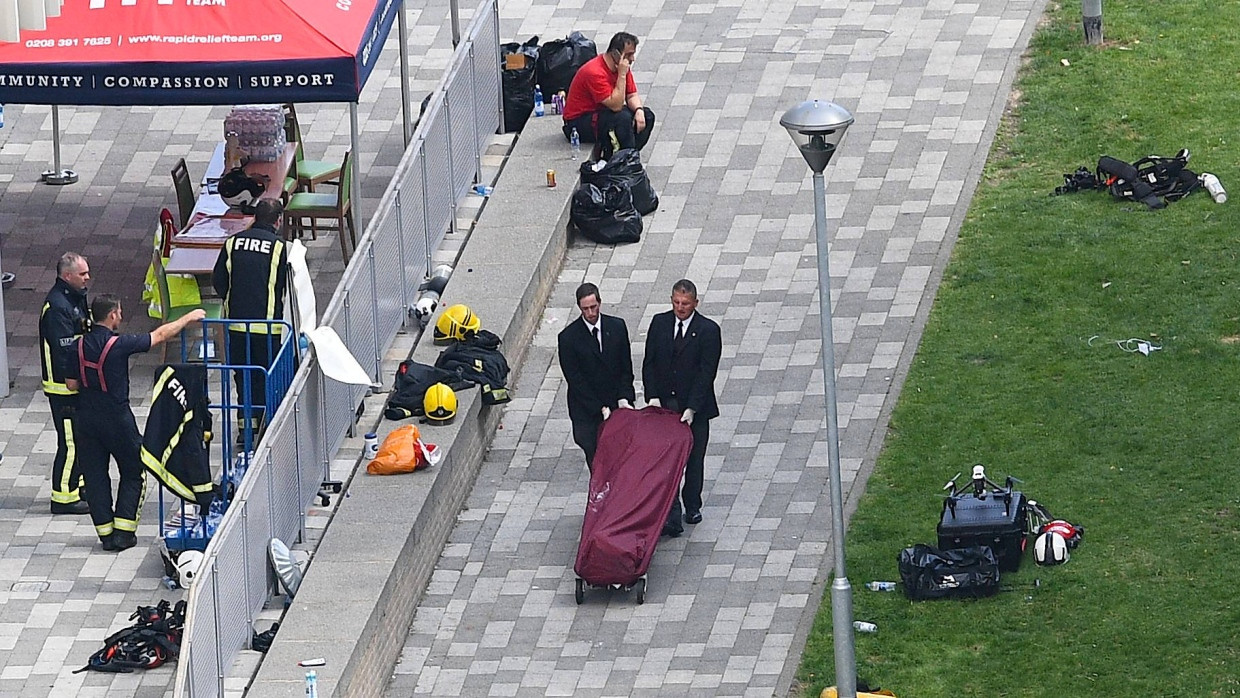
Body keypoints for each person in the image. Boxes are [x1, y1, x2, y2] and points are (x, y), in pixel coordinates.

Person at [69, 294, 206, 551]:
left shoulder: (77, 346)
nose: (121, 317)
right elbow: (160, 336)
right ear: (112, 315)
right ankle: (124, 532)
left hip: (86, 419)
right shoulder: (118, 344)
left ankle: (106, 534)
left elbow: (71, 384)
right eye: (119, 312)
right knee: (133, 470)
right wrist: (188, 318)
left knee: (95, 477)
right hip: (117, 418)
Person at [642, 279, 721, 528]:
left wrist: (692, 408)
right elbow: (650, 362)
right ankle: (670, 511)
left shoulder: (708, 331)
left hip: (694, 408)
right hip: (666, 404)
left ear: (695, 303)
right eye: (676, 302)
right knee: (667, 460)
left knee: (695, 459)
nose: (680, 307)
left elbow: (707, 372)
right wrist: (652, 395)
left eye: (685, 304)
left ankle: (693, 505)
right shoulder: (660, 323)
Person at [213, 199, 289, 447]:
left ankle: (246, 431)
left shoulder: (233, 243)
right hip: (267, 328)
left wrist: (232, 302)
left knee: (243, 377)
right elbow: (284, 285)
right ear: (277, 220)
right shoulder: (279, 247)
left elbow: (218, 280)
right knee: (268, 377)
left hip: (237, 326)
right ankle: (269, 427)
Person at [557, 283, 636, 469]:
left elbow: (626, 366)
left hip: (616, 403)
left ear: (600, 302)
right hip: (587, 410)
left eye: (594, 307)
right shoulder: (568, 338)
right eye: (586, 309)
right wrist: (599, 407)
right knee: (597, 461)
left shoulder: (616, 327)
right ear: (579, 308)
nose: (591, 312)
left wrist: (624, 397)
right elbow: (575, 380)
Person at [38, 252, 92, 515]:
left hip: (75, 382)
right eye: (82, 274)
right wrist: (74, 379)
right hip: (63, 386)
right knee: (70, 440)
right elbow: (63, 351)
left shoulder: (74, 298)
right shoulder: (57, 306)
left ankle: (77, 485)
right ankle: (63, 496)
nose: (87, 278)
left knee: (80, 437)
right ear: (67, 275)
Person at [562, 31, 656, 161]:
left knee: (647, 116)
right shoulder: (595, 72)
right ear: (615, 53)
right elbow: (616, 106)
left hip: (602, 112)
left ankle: (628, 156)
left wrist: (639, 111)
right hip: (578, 122)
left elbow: (631, 95)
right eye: (629, 55)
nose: (632, 59)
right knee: (622, 118)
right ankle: (626, 161)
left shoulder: (622, 66)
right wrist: (622, 75)